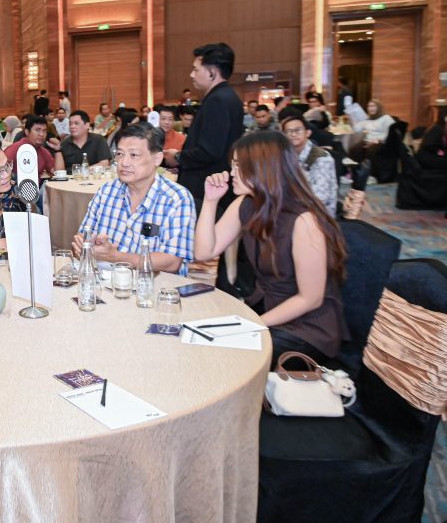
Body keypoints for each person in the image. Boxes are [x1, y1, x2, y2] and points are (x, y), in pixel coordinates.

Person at [193, 130, 348, 365]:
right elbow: (204, 252)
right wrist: (210, 200)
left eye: (239, 165)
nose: (232, 172)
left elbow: (310, 299)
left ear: (264, 168)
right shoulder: (246, 204)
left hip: (307, 328)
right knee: (200, 338)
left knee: (223, 357)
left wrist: (253, 324)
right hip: (265, 311)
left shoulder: (305, 221)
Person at [72, 123, 196, 275]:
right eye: (120, 154)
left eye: (134, 155)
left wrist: (116, 257)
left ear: (157, 159)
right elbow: (83, 235)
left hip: (153, 284)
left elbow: (172, 262)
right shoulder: (107, 191)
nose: (124, 163)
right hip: (105, 280)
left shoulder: (176, 199)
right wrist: (84, 246)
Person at [163, 43, 244, 211]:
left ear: (212, 73)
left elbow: (209, 151)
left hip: (205, 188)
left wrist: (177, 157)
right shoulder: (229, 96)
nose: (191, 75)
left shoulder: (217, 100)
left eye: (195, 69)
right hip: (216, 186)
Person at [281, 115, 337, 216]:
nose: (293, 134)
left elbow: (321, 197)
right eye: (288, 131)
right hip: (295, 207)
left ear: (308, 133)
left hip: (319, 214)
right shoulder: (286, 155)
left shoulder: (320, 157)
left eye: (298, 130)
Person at [5, 115, 55, 179]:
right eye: (37, 130)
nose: (41, 134)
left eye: (44, 131)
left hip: (37, 185)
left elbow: (56, 173)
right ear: (27, 132)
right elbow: (2, 173)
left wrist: (58, 150)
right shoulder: (14, 149)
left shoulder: (44, 152)